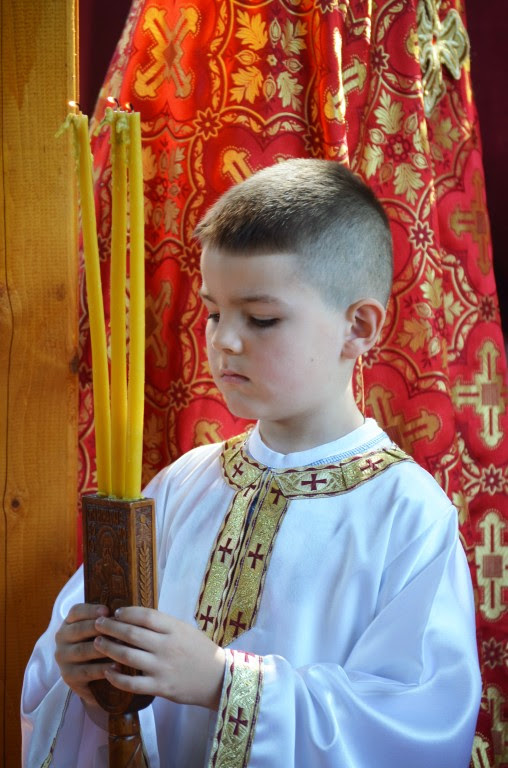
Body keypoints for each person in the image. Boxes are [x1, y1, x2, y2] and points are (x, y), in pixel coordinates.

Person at [21, 159, 481, 768]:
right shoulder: (180, 486)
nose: (223, 340)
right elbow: (66, 677)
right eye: (214, 312)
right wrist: (83, 672)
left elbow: (414, 723)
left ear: (358, 326)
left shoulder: (408, 515)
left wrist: (223, 682)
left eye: (261, 319)